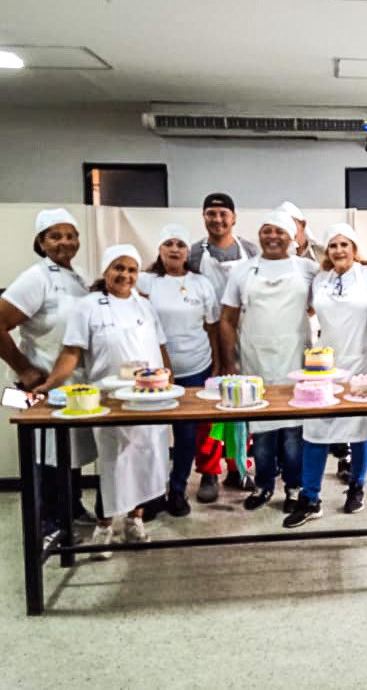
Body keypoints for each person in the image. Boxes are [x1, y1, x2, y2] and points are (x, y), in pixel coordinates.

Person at [34, 245, 171, 559]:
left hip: (148, 399)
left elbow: (161, 349)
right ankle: (104, 526)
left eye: (132, 269)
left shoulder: (144, 306)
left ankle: (135, 521)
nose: (125, 275)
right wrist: (48, 384)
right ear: (106, 271)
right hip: (109, 400)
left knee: (146, 460)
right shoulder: (89, 306)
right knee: (113, 463)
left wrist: (169, 384)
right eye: (118, 268)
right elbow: (72, 352)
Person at [0, 208, 97, 533]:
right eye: (55, 236)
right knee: (43, 454)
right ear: (41, 242)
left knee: (68, 450)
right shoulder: (36, 277)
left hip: (70, 383)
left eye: (71, 235)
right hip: (36, 386)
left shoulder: (79, 277)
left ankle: (71, 508)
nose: (65, 242)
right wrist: (25, 369)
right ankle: (47, 522)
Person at [284, 224, 367, 528]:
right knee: (315, 431)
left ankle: (357, 486)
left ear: (355, 248)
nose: (339, 250)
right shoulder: (320, 280)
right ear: (326, 251)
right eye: (333, 246)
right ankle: (311, 497)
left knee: (360, 431)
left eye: (344, 244)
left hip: (362, 364)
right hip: (323, 367)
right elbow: (309, 311)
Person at [220, 210, 316, 514]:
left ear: (292, 237)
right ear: (259, 234)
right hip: (254, 359)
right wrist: (229, 361)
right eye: (266, 230)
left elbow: (331, 293)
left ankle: (294, 488)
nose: (272, 236)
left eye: (280, 231)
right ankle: (262, 485)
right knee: (261, 431)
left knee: (293, 433)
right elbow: (227, 318)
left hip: (294, 358)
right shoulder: (242, 270)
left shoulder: (307, 268)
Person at [136, 224, 223, 517]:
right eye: (168, 243)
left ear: (188, 251)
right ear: (159, 249)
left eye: (180, 244)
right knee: (154, 436)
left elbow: (212, 328)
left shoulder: (201, 283)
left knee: (187, 435)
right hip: (154, 373)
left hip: (196, 367)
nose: (175, 249)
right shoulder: (145, 282)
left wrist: (218, 365)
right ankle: (152, 495)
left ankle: (177, 490)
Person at [188, 192, 260, 503]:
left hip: (246, 336)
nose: (217, 219)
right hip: (208, 339)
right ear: (204, 217)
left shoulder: (251, 251)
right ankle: (208, 471)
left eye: (223, 214)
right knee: (210, 410)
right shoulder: (193, 253)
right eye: (211, 214)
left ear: (234, 218)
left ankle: (238, 467)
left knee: (245, 406)